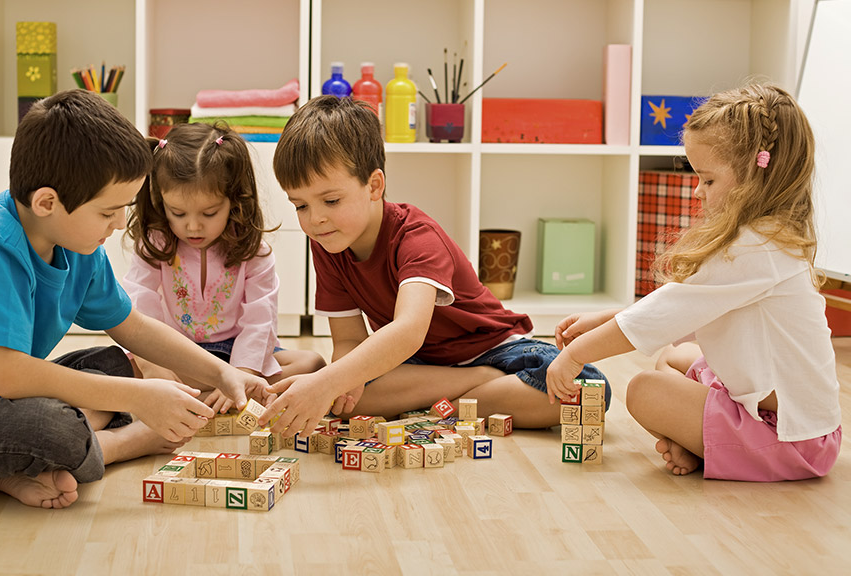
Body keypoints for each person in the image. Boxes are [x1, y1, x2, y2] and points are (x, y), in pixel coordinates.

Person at [0, 90, 270, 509]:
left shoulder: (78, 243)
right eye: (108, 212)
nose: (120, 224)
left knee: (119, 363)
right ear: (48, 202)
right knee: (54, 428)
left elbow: (134, 328)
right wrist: (138, 401)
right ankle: (116, 443)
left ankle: (11, 468)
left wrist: (221, 373)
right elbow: (9, 377)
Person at [259, 95, 609, 436]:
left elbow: (408, 331)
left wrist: (328, 383)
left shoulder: (416, 236)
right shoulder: (329, 241)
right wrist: (339, 383)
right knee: (353, 398)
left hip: (495, 349)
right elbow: (349, 340)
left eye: (331, 200)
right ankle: (476, 387)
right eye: (300, 206)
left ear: (374, 186)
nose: (315, 219)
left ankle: (461, 392)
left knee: (590, 391)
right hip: (420, 365)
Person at [547, 83, 842, 481]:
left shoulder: (754, 249)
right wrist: (603, 320)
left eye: (708, 180)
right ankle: (702, 443)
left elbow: (667, 312)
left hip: (792, 438)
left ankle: (707, 447)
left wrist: (576, 355)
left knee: (644, 390)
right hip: (791, 416)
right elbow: (681, 307)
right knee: (670, 358)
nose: (697, 191)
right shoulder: (765, 236)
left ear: (758, 174)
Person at [122, 122, 325, 411]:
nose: (192, 226)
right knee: (123, 368)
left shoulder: (254, 252)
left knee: (312, 363)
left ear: (234, 200)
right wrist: (154, 364)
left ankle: (207, 397)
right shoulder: (157, 242)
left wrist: (243, 374)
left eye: (209, 212)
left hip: (235, 353)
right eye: (177, 212)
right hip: (179, 354)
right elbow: (138, 302)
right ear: (160, 200)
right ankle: (212, 397)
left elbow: (260, 319)